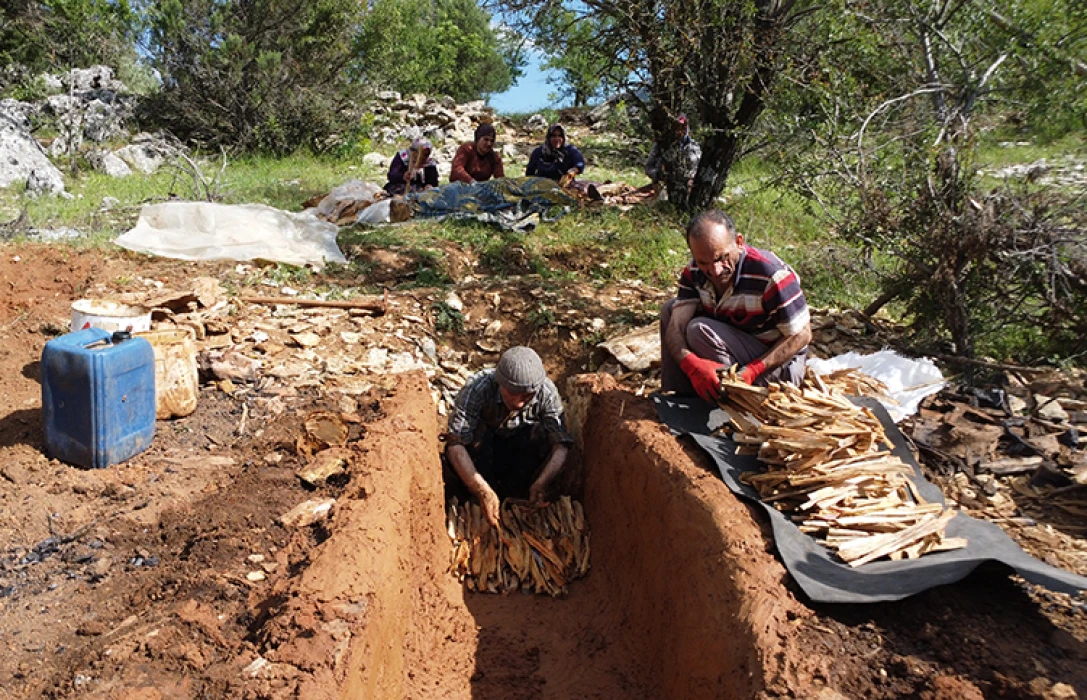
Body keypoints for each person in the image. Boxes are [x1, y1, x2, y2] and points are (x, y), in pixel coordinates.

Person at [661, 209, 812, 402]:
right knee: (670, 311)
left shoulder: (771, 275)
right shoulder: (695, 272)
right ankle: (685, 395)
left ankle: (730, 396)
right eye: (703, 262)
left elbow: (802, 334)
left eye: (721, 258)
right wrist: (691, 365)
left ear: (739, 242)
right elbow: (675, 326)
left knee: (699, 330)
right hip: (735, 344)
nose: (715, 271)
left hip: (777, 366)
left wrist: (753, 370)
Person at [445, 346, 573, 528]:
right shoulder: (478, 388)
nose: (519, 403)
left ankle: (519, 493)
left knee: (541, 434)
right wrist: (482, 491)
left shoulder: (546, 391)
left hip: (517, 447)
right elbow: (455, 445)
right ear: (500, 383)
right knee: (473, 438)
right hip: (483, 450)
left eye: (527, 396)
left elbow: (561, 445)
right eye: (512, 394)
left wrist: (541, 483)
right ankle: (475, 496)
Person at [644, 114, 701, 192]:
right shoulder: (661, 145)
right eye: (677, 127)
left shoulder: (695, 147)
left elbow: (698, 170)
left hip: (688, 188)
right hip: (664, 188)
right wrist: (658, 175)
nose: (679, 131)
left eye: (683, 127)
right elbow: (648, 168)